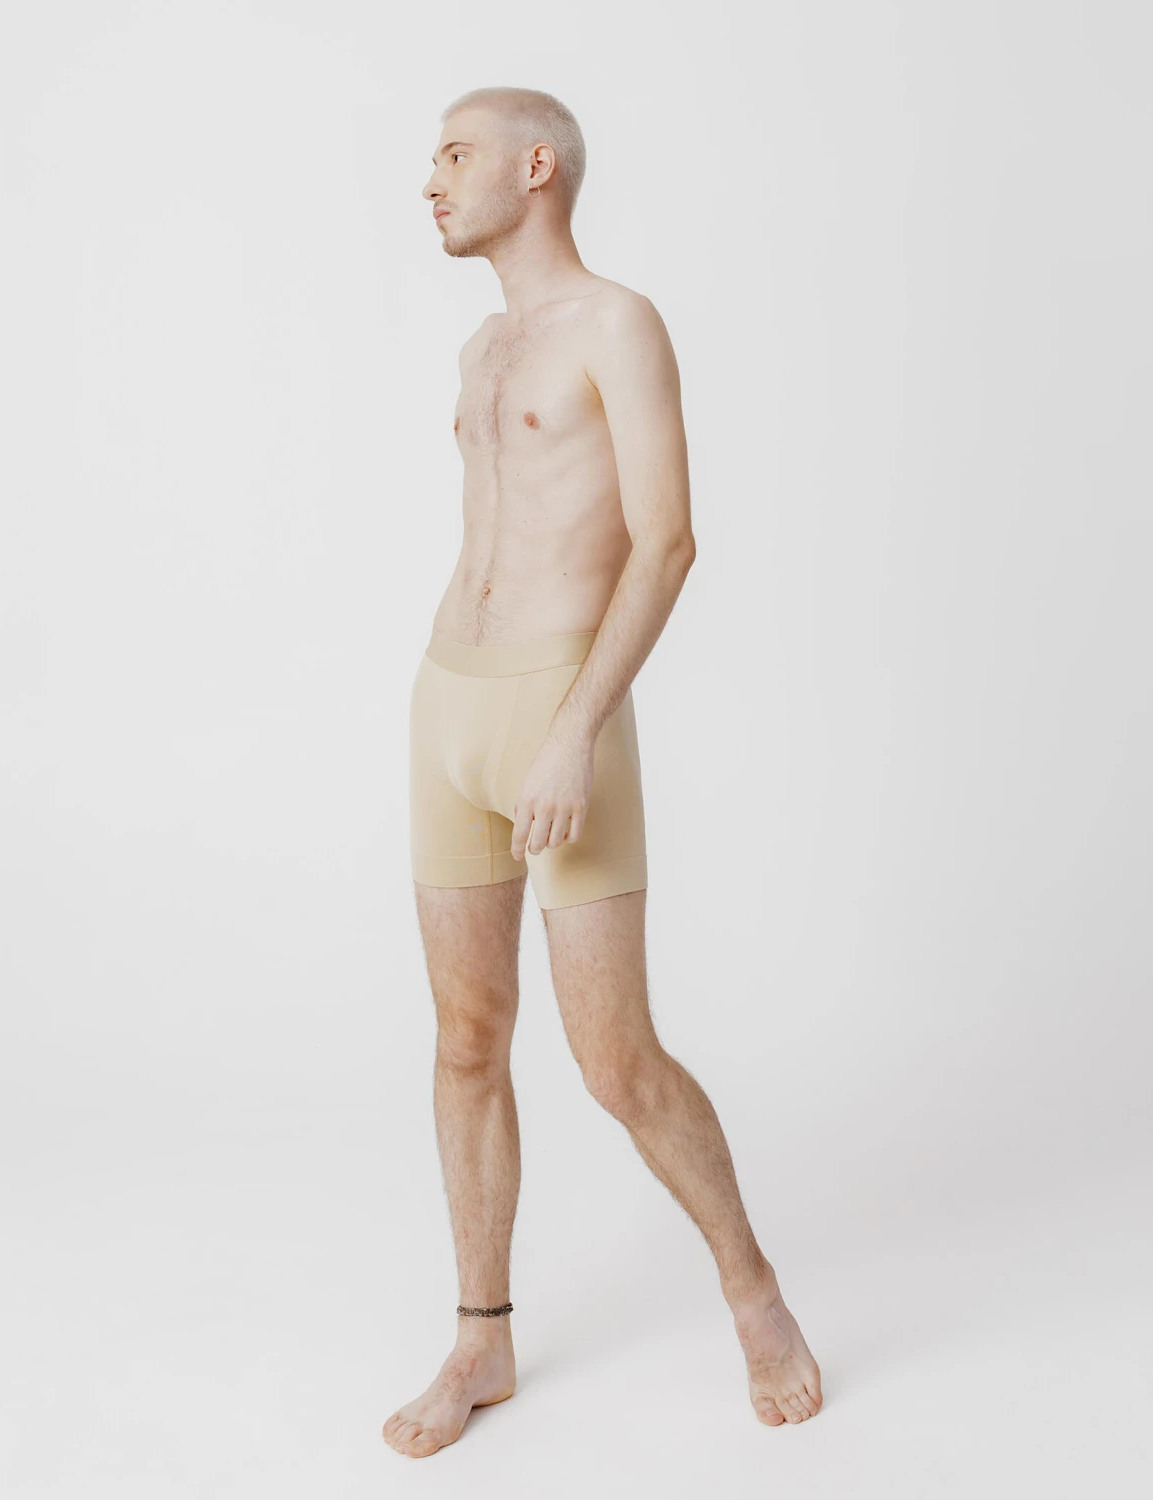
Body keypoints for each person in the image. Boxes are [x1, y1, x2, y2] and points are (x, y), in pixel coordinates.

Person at [387, 86, 823, 1460]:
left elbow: (666, 539)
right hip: (450, 702)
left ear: (537, 167)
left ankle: (752, 1291)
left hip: (559, 706)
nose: (430, 179)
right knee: (465, 1040)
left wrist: (577, 724)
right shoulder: (480, 346)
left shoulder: (618, 323)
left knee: (615, 1058)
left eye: (454, 153)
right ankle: (481, 1337)